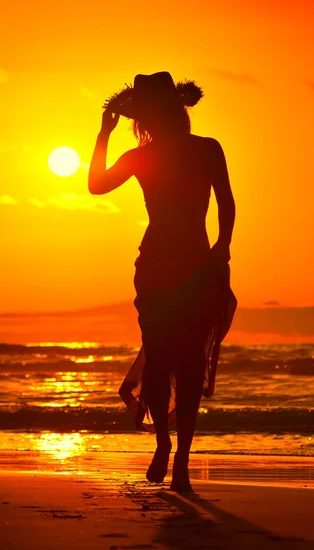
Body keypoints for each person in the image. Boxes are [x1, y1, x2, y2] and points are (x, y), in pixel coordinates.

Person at [88, 72, 236, 492]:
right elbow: (96, 186)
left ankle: (183, 463)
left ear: (172, 112)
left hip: (195, 266)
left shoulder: (207, 149)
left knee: (187, 364)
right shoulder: (141, 155)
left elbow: (227, 203)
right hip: (157, 268)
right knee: (160, 359)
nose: (151, 122)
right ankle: (164, 442)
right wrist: (103, 134)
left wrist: (222, 249)